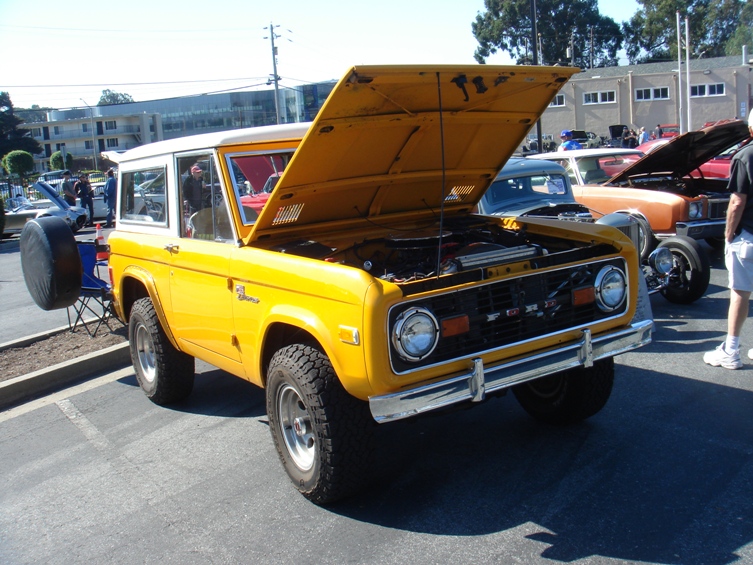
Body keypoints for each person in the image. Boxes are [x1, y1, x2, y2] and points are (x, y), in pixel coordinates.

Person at [703, 109, 753, 369]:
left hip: (749, 235)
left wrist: (728, 234)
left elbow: (737, 201)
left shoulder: (745, 155)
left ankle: (731, 350)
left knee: (740, 293)